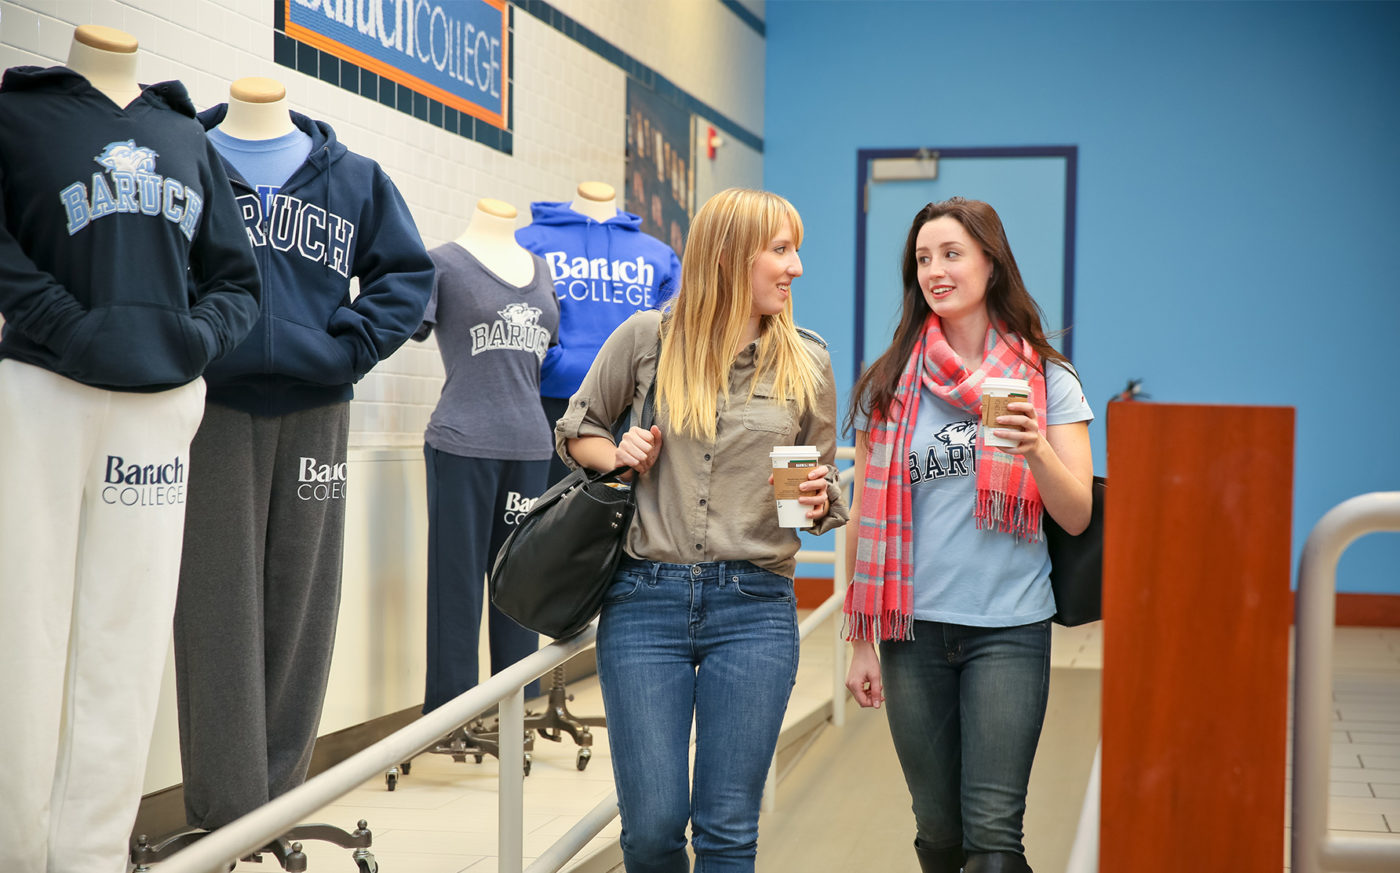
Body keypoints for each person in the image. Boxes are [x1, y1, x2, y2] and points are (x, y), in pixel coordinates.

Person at [557, 187, 847, 872]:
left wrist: (817, 498)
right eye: (781, 249)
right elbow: (577, 430)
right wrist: (618, 454)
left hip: (755, 606)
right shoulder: (646, 339)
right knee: (652, 829)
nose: (796, 266)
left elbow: (818, 489)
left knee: (726, 832)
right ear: (729, 255)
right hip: (644, 602)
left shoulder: (807, 360)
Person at [843, 197, 1094, 873]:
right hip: (912, 632)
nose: (935, 270)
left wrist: (1035, 449)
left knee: (993, 835)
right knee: (937, 828)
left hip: (1010, 626)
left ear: (991, 263)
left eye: (951, 254)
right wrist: (860, 641)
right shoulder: (889, 383)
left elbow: (1076, 514)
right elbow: (865, 515)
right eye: (923, 258)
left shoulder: (1047, 378)